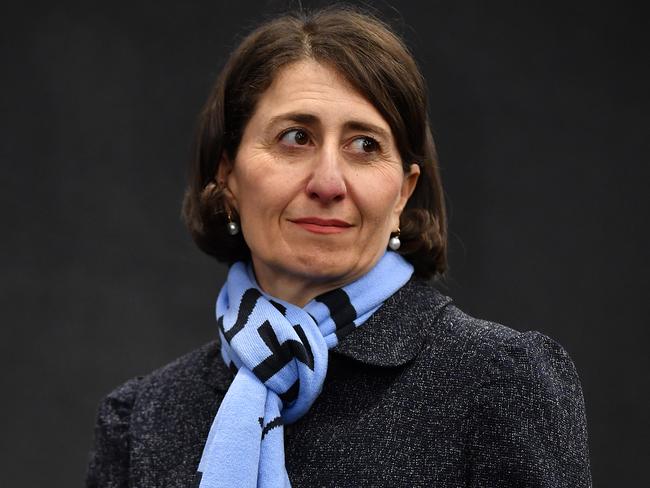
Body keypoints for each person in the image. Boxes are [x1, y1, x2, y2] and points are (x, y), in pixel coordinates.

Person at [86, 6, 591, 488]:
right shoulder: (143, 419)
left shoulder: (499, 382)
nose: (328, 182)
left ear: (402, 194)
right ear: (228, 176)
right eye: (294, 137)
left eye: (365, 145)